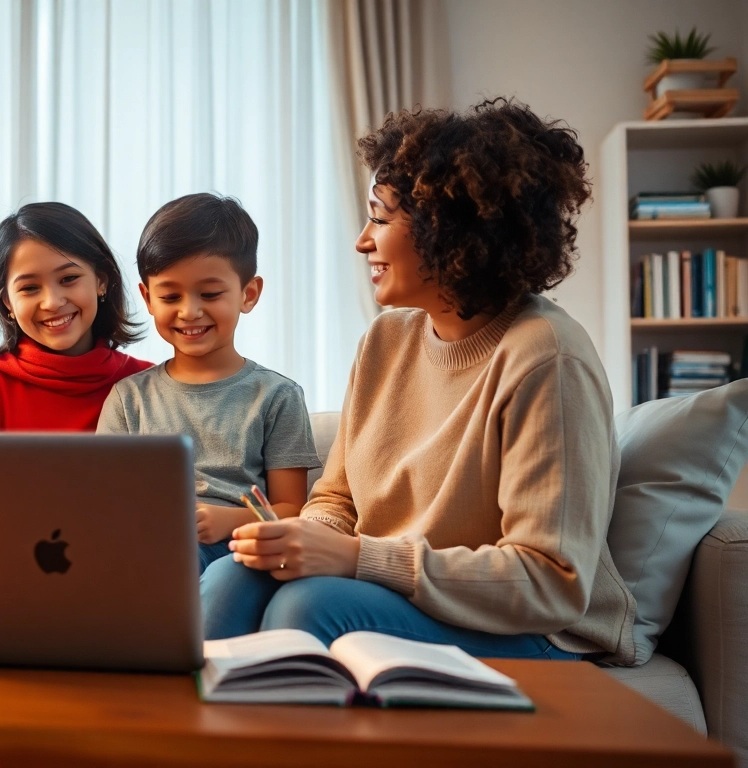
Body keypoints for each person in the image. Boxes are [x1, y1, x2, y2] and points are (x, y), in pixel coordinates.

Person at [201, 99, 637, 664]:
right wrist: (309, 538)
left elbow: (551, 582)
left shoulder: (546, 358)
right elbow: (337, 497)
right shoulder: (386, 341)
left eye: (380, 219)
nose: (363, 240)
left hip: (541, 630)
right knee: (232, 577)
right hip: (409, 596)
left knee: (310, 608)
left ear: (448, 229)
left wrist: (356, 558)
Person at [97, 193, 321, 574]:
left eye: (210, 294)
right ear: (148, 298)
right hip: (151, 550)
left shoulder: (277, 396)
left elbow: (291, 510)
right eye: (171, 296)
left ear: (248, 294)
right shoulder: (128, 399)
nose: (190, 311)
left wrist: (227, 521)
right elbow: (105, 500)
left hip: (240, 554)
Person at [0, 202, 151, 432]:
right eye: (30, 288)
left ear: (101, 281)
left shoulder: (149, 384)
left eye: (68, 279)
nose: (52, 302)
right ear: (7, 302)